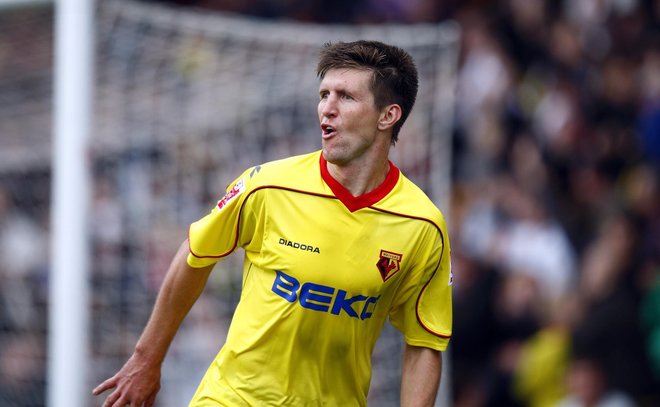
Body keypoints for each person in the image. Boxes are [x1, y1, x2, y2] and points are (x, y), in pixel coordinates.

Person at [93, 40, 453, 407]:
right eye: (324, 95)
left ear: (387, 116)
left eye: (345, 97)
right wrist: (147, 358)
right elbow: (195, 255)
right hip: (233, 398)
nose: (327, 108)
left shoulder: (421, 225)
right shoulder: (268, 185)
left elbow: (424, 343)